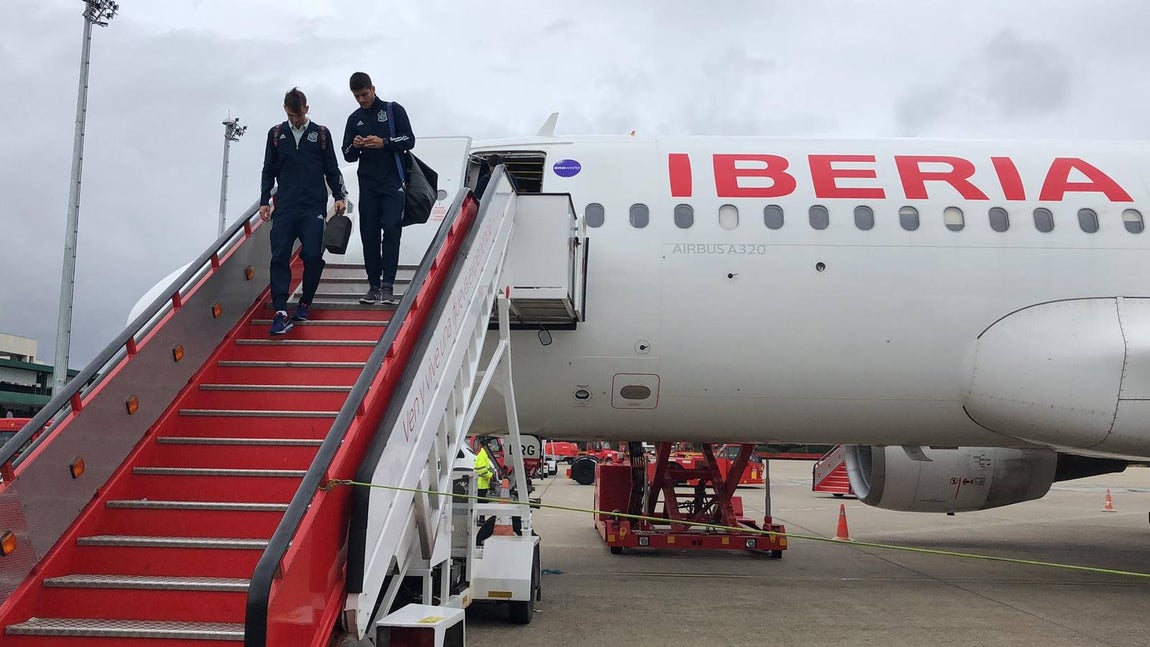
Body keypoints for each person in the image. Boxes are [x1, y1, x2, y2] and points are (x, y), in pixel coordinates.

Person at [260, 87, 347, 335]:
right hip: (285, 206)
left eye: (298, 115)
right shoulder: (276, 134)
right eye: (291, 115)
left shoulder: (320, 134)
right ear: (285, 111)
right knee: (279, 257)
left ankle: (305, 303)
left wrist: (340, 195)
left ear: (306, 109)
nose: (295, 119)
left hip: (312, 207)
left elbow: (332, 168)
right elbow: (268, 169)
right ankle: (279, 310)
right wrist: (265, 199)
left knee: (311, 256)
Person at [342, 72, 415, 305]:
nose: (362, 100)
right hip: (368, 185)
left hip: (393, 183)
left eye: (364, 94)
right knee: (369, 234)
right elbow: (347, 154)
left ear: (373, 88)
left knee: (392, 230)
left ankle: (388, 285)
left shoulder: (394, 110)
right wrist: (355, 146)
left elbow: (410, 140)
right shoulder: (354, 119)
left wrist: (385, 143)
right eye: (357, 96)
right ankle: (373, 285)